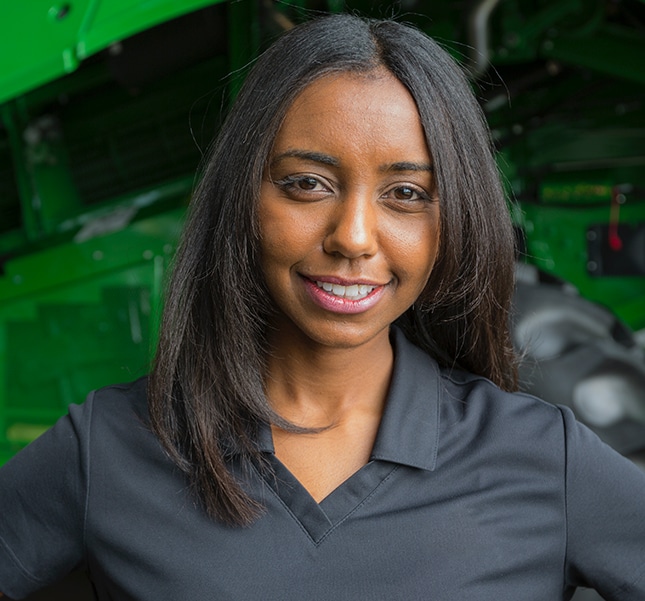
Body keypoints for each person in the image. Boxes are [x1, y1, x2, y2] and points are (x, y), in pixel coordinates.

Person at [1, 13, 644, 601]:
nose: (354, 237)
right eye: (306, 184)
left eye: (405, 193)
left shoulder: (542, 458)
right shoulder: (107, 449)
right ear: (243, 199)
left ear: (451, 222)